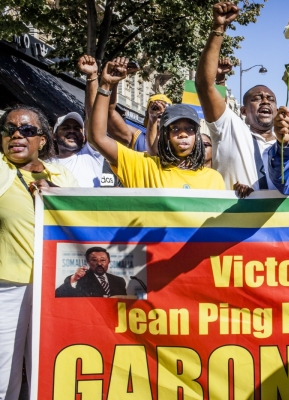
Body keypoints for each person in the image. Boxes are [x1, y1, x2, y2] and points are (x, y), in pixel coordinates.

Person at [0, 105, 78, 399]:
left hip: (55, 288)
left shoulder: (63, 175)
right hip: (9, 286)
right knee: (4, 372)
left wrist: (55, 192)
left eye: (27, 130)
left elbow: (81, 216)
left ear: (42, 140)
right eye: (9, 129)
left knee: (49, 369)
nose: (17, 135)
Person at [88, 57, 225, 190]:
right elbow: (97, 138)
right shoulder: (144, 166)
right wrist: (106, 84)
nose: (183, 134)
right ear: (165, 135)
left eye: (189, 129)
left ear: (197, 136)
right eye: (175, 128)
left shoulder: (214, 179)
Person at [195, 2, 278, 191]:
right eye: (257, 98)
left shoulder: (287, 146)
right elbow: (203, 85)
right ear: (243, 110)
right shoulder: (230, 129)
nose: (265, 101)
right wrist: (218, 28)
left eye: (271, 99)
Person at [55, 247, 127, 297]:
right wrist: (73, 280)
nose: (99, 263)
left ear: (109, 262)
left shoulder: (119, 281)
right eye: (94, 260)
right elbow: (58, 294)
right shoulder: (79, 279)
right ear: (88, 262)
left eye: (103, 260)